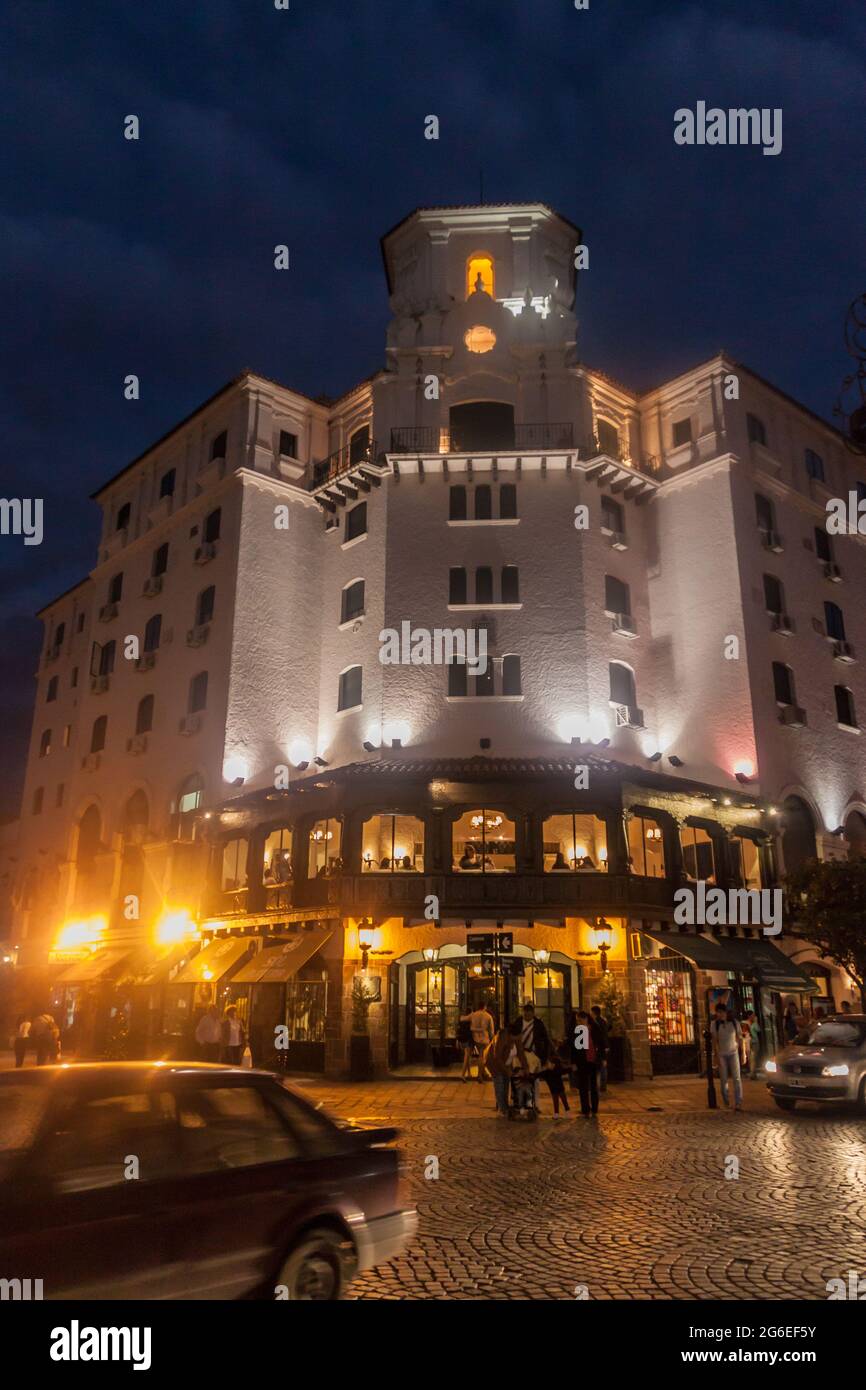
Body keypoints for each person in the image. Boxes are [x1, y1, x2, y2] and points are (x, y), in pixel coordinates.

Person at [486, 1020, 528, 1116]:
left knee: (506, 1084)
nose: (520, 1037)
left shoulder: (516, 1039)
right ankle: (502, 1109)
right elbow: (497, 1057)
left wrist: (526, 1068)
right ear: (513, 1034)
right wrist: (506, 1070)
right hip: (494, 1063)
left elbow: (521, 1054)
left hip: (506, 1063)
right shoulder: (502, 1038)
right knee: (500, 1083)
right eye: (520, 1035)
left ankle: (504, 1106)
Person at [711, 1003, 743, 1110]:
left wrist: (743, 1053)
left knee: (737, 1078)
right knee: (723, 1079)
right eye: (717, 1012)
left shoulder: (734, 1023)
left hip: (733, 1052)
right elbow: (714, 1041)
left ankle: (738, 1102)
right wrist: (715, 1056)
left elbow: (739, 1038)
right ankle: (726, 1101)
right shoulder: (715, 1024)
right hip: (721, 1054)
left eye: (721, 1012)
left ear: (725, 1012)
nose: (719, 1014)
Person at [573, 1009, 604, 1116]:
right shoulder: (578, 1031)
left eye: (580, 1021)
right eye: (577, 1021)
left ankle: (594, 1108)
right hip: (583, 1061)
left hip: (593, 1060)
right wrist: (574, 1062)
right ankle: (585, 1109)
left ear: (586, 1019)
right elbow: (576, 1049)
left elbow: (601, 1043)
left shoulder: (595, 1029)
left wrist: (602, 1058)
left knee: (594, 1086)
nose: (579, 1023)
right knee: (583, 1086)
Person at [520, 1002, 550, 1107]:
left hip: (535, 1054)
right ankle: (523, 1102)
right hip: (521, 1055)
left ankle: (536, 1103)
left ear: (533, 1013)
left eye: (528, 1014)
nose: (527, 1016)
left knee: (535, 1080)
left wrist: (544, 1057)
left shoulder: (538, 1024)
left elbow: (546, 1040)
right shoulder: (518, 1022)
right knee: (521, 1079)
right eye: (525, 1014)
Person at [540, 1037, 572, 1117]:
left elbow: (563, 1070)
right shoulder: (548, 1070)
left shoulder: (556, 1067)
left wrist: (571, 1068)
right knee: (557, 1097)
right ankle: (559, 1112)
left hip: (557, 1084)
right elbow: (540, 1074)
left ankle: (564, 1111)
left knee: (560, 1097)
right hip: (553, 1085)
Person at [468, 999, 494, 1082]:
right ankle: (480, 1075)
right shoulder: (488, 1016)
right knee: (482, 1057)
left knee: (481, 1055)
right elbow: (491, 1030)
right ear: (484, 1006)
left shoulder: (473, 1015)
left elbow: (465, 1020)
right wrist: (492, 1038)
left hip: (476, 1038)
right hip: (485, 1038)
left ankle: (484, 1073)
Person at [590, 1004, 610, 1092]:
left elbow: (600, 1035)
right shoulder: (604, 1021)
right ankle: (603, 1086)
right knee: (603, 1065)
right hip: (604, 1046)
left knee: (598, 1066)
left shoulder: (595, 1022)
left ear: (594, 1013)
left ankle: (597, 1085)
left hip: (598, 1046)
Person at [457, 1009, 474, 1081]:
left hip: (462, 1040)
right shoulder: (470, 1019)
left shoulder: (461, 1018)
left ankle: (469, 1073)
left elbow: (458, 1030)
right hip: (468, 1040)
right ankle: (463, 1074)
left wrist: (457, 1040)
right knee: (467, 1057)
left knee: (468, 1057)